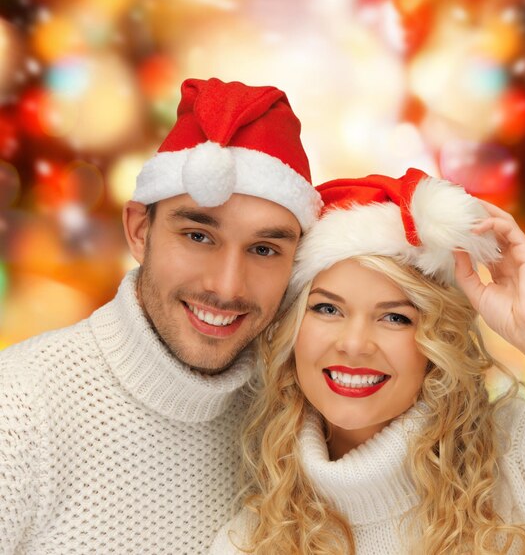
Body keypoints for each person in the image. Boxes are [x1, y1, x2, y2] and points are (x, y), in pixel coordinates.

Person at [210, 169, 525, 554]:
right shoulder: (250, 541)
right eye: (327, 309)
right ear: (291, 328)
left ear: (436, 339)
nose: (355, 345)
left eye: (395, 317)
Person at [0, 77, 322, 553]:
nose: (226, 286)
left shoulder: (291, 421)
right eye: (198, 236)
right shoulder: (20, 409)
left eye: (263, 248)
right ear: (138, 230)